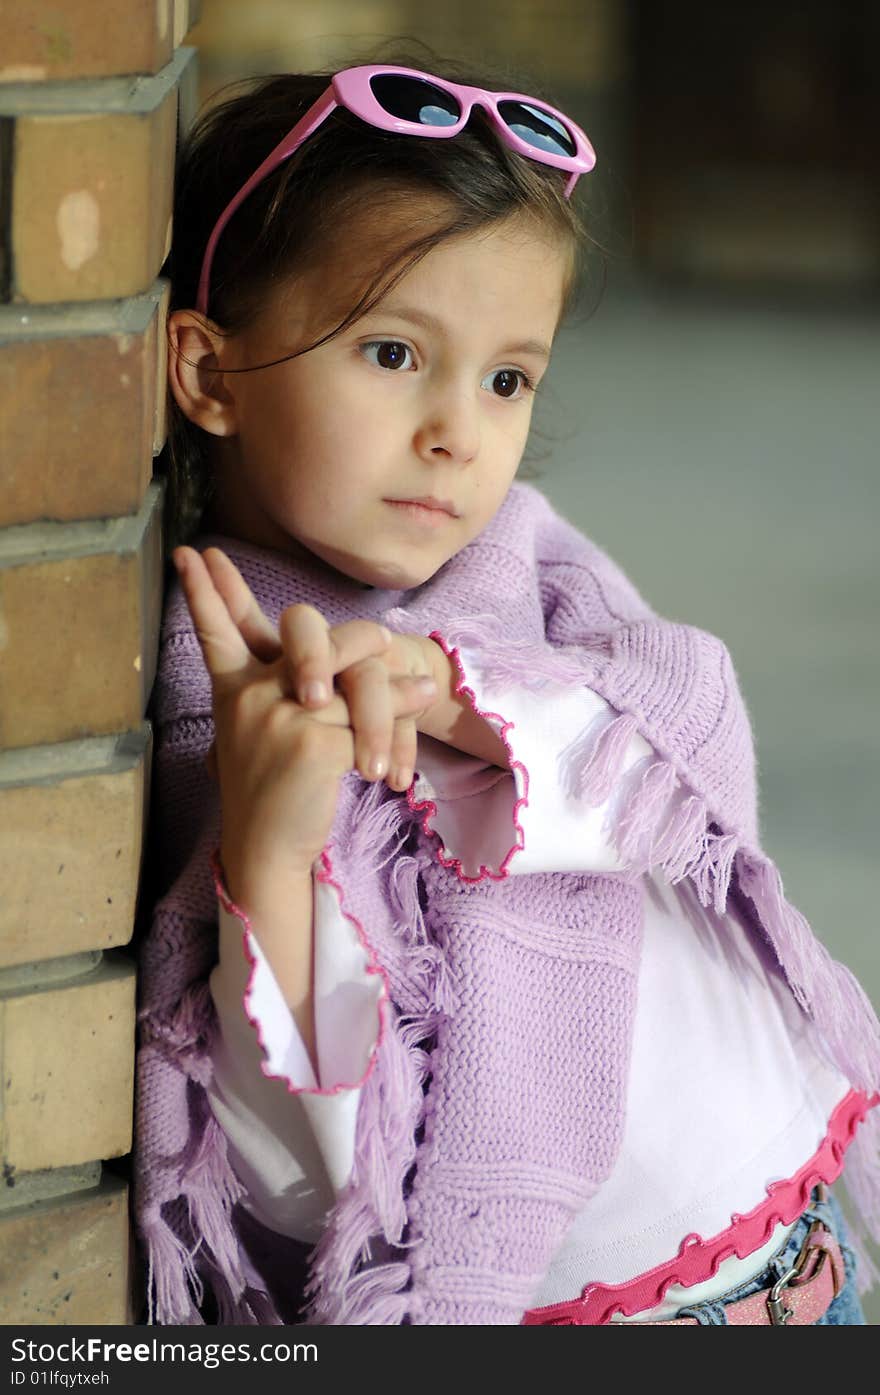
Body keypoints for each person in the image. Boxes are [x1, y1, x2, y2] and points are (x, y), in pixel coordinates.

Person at [135, 57, 880, 1327]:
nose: (458, 433)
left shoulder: (518, 556)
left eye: (505, 379)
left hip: (805, 1236)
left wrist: (447, 690)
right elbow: (306, 1168)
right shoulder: (225, 693)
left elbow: (686, 756)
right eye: (390, 352)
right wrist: (269, 854)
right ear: (210, 375)